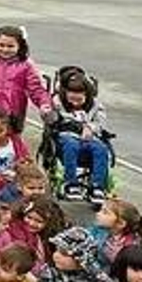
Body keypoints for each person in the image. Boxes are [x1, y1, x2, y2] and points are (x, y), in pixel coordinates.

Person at [50, 73, 112, 203]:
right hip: (66, 138)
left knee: (101, 148)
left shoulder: (95, 105)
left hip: (89, 139)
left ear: (87, 96)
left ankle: (98, 187)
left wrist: (90, 128)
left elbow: (101, 123)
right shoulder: (57, 103)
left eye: (79, 100)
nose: (75, 103)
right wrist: (47, 112)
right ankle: (71, 184)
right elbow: (52, 120)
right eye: (71, 99)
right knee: (71, 144)